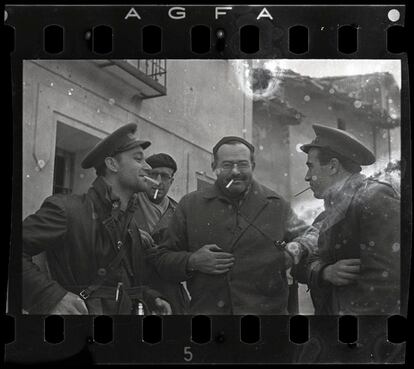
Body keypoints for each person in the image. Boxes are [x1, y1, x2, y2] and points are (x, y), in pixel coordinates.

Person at [149, 136, 318, 315]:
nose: (235, 171)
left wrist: (296, 248)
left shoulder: (276, 205)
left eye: (243, 164)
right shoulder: (190, 205)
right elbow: (162, 259)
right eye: (227, 165)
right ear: (214, 167)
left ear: (253, 166)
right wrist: (192, 261)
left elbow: (314, 236)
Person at [22, 123, 172, 315]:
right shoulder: (67, 209)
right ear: (112, 164)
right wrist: (50, 297)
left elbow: (117, 281)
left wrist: (150, 298)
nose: (148, 167)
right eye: (138, 159)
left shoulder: (130, 225)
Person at [300, 124, 400, 315]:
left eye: (310, 167)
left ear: (333, 166)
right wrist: (325, 272)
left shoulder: (375, 199)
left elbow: (387, 283)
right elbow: (301, 264)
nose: (307, 177)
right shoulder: (330, 211)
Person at [134, 153, 190, 313]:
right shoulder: (127, 203)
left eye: (165, 176)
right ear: (145, 176)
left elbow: (185, 256)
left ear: (171, 181)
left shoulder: (179, 212)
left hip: (169, 292)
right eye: (153, 174)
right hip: (134, 288)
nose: (158, 181)